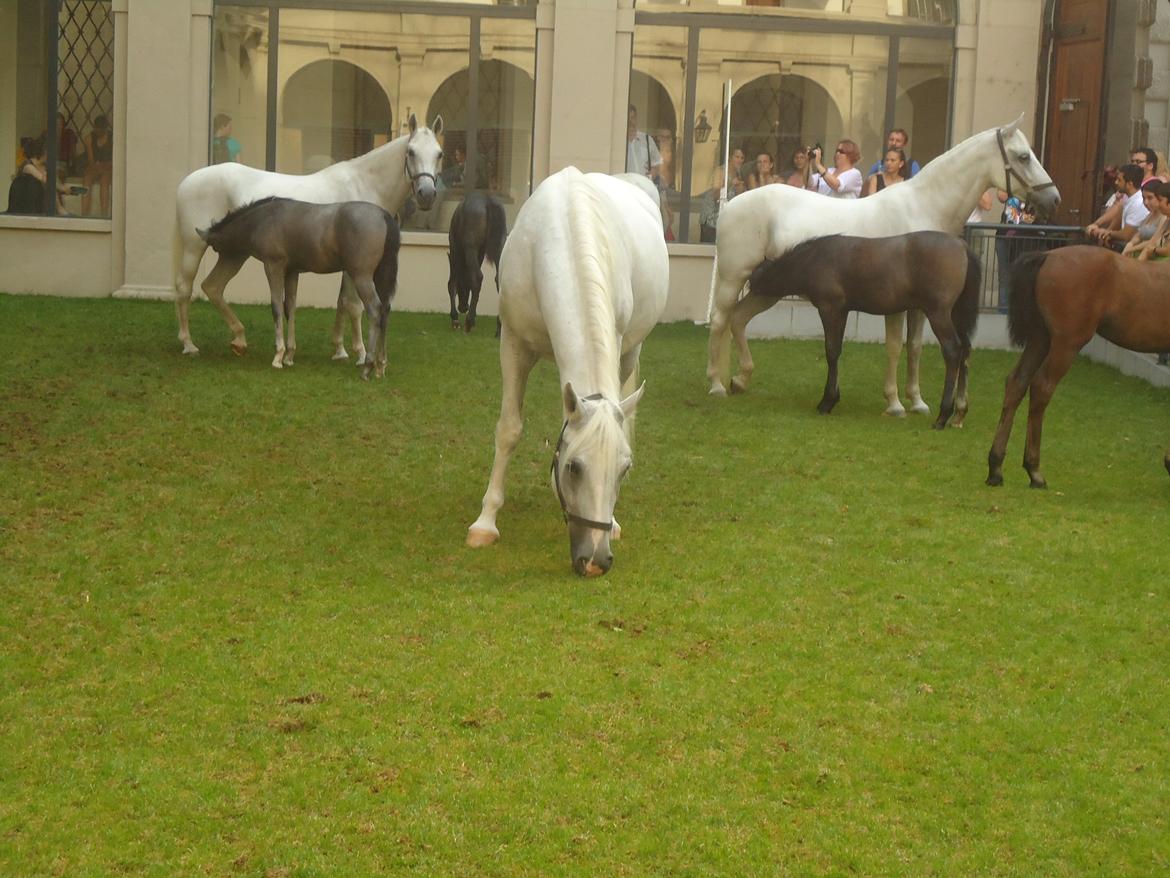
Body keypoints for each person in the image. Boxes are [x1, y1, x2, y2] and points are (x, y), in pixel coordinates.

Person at [1090, 163, 1147, 249]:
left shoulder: (1138, 203)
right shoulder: (1129, 199)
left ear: (1129, 184)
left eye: (1119, 180)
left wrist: (1105, 232)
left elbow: (1126, 235)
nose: (1116, 182)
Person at [699, 147, 746, 243]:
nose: (739, 160)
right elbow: (715, 196)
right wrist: (730, 184)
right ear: (730, 157)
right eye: (737, 157)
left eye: (742, 158)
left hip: (725, 221)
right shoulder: (720, 171)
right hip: (711, 220)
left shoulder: (739, 174)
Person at [1120, 179, 1166, 259]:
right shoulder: (1150, 214)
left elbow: (1154, 241)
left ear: (1159, 197)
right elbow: (1138, 235)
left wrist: (1131, 249)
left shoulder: (1164, 217)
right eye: (1144, 198)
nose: (1146, 202)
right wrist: (1130, 244)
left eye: (1150, 198)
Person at [82, 114, 113, 217]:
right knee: (87, 179)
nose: (97, 131)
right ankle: (84, 214)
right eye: (96, 129)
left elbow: (115, 160)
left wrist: (104, 166)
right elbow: (91, 160)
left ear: (105, 129)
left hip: (108, 167)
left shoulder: (112, 138)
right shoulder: (89, 138)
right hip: (94, 167)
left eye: (100, 130)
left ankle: (104, 215)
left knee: (104, 182)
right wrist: (97, 167)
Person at [6, 137, 47, 214]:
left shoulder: (42, 166)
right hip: (24, 206)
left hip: (35, 204)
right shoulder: (27, 166)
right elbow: (42, 178)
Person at [625, 104, 661, 182]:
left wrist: (650, 177)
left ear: (636, 118)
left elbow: (657, 162)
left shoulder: (647, 140)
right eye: (628, 118)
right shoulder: (619, 142)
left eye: (632, 117)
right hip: (625, 188)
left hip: (644, 188)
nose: (630, 122)